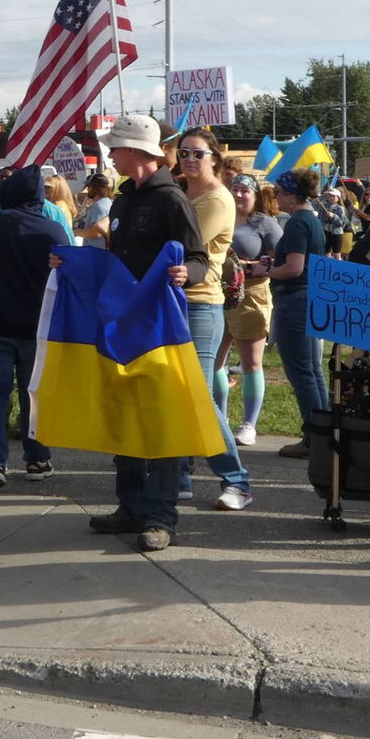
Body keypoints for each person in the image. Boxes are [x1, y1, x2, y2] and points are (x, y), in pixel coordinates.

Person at [83, 114, 208, 554]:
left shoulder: (172, 200)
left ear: (136, 151)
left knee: (162, 419)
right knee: (127, 416)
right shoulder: (121, 201)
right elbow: (115, 261)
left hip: (160, 328)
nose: (109, 154)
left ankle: (160, 516)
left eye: (114, 147)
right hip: (123, 326)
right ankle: (131, 507)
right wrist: (71, 265)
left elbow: (199, 258)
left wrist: (186, 272)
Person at [0, 165, 69, 493]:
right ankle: (37, 458)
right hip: (38, 329)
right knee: (34, 394)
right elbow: (69, 278)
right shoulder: (53, 231)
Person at [172, 128, 254, 510]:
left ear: (214, 159)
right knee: (175, 392)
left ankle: (237, 481)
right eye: (184, 152)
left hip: (201, 306)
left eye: (198, 154)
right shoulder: (179, 191)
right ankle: (178, 477)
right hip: (172, 302)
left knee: (200, 397)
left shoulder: (218, 199)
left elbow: (181, 246)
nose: (190, 159)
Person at [258, 169, 328, 459]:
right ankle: (324, 434)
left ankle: (314, 437)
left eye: (278, 192)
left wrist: (266, 271)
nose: (275, 196)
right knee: (312, 370)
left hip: (294, 300)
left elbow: (294, 268)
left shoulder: (298, 222)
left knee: (301, 372)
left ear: (291, 194)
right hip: (309, 298)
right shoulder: (311, 219)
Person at [213, 172, 281, 446]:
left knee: (251, 362)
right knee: (214, 360)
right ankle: (220, 420)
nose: (239, 194)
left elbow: (280, 260)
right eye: (235, 189)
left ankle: (249, 425)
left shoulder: (265, 223)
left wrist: (249, 266)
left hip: (252, 294)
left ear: (255, 195)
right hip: (218, 293)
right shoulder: (221, 217)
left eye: (245, 190)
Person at [74, 172, 114, 249]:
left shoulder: (99, 206)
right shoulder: (107, 202)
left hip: (95, 251)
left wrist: (77, 232)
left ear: (94, 188)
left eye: (88, 187)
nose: (87, 189)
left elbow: (96, 233)